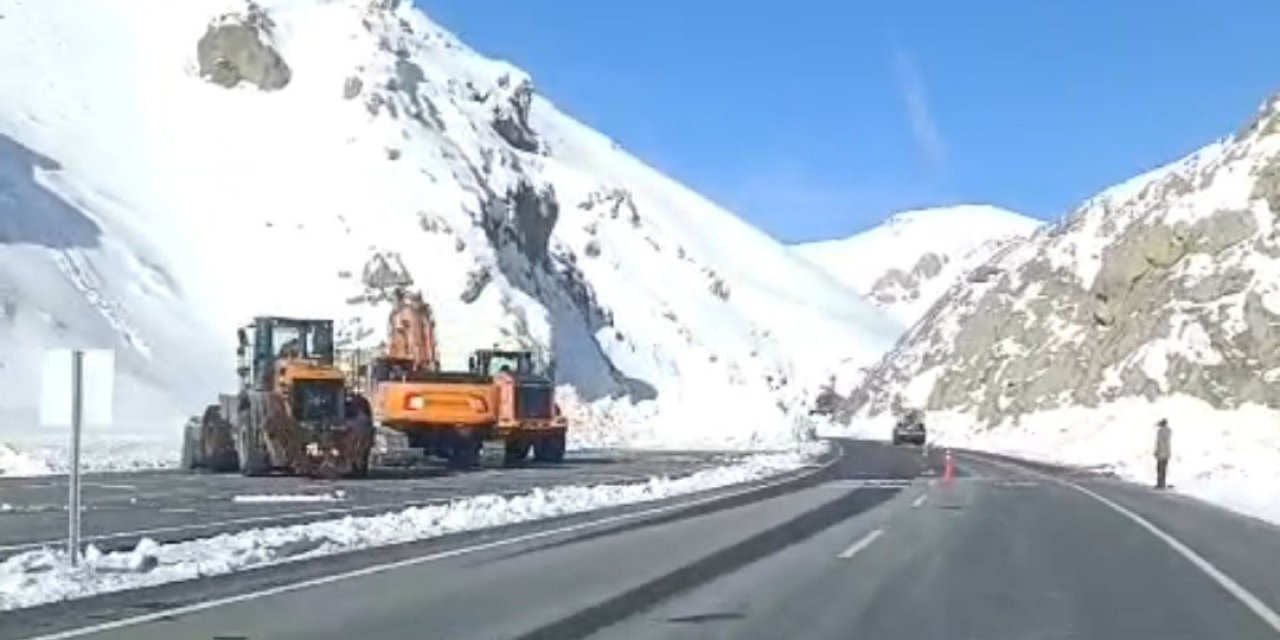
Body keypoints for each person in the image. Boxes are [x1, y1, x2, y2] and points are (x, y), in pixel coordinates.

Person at [1154, 418, 1172, 489]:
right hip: (1166, 453)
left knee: (1160, 468)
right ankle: (1162, 483)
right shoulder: (1168, 431)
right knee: (1163, 469)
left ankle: (1160, 483)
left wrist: (1157, 451)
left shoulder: (1161, 432)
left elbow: (1160, 443)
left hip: (1162, 453)